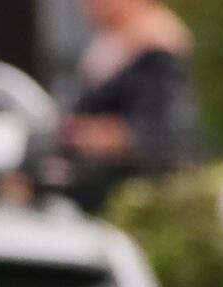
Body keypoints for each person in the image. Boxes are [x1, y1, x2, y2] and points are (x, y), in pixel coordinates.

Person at [58, 0, 191, 213]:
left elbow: (153, 132)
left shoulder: (155, 51)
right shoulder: (111, 43)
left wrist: (89, 134)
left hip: (134, 191)